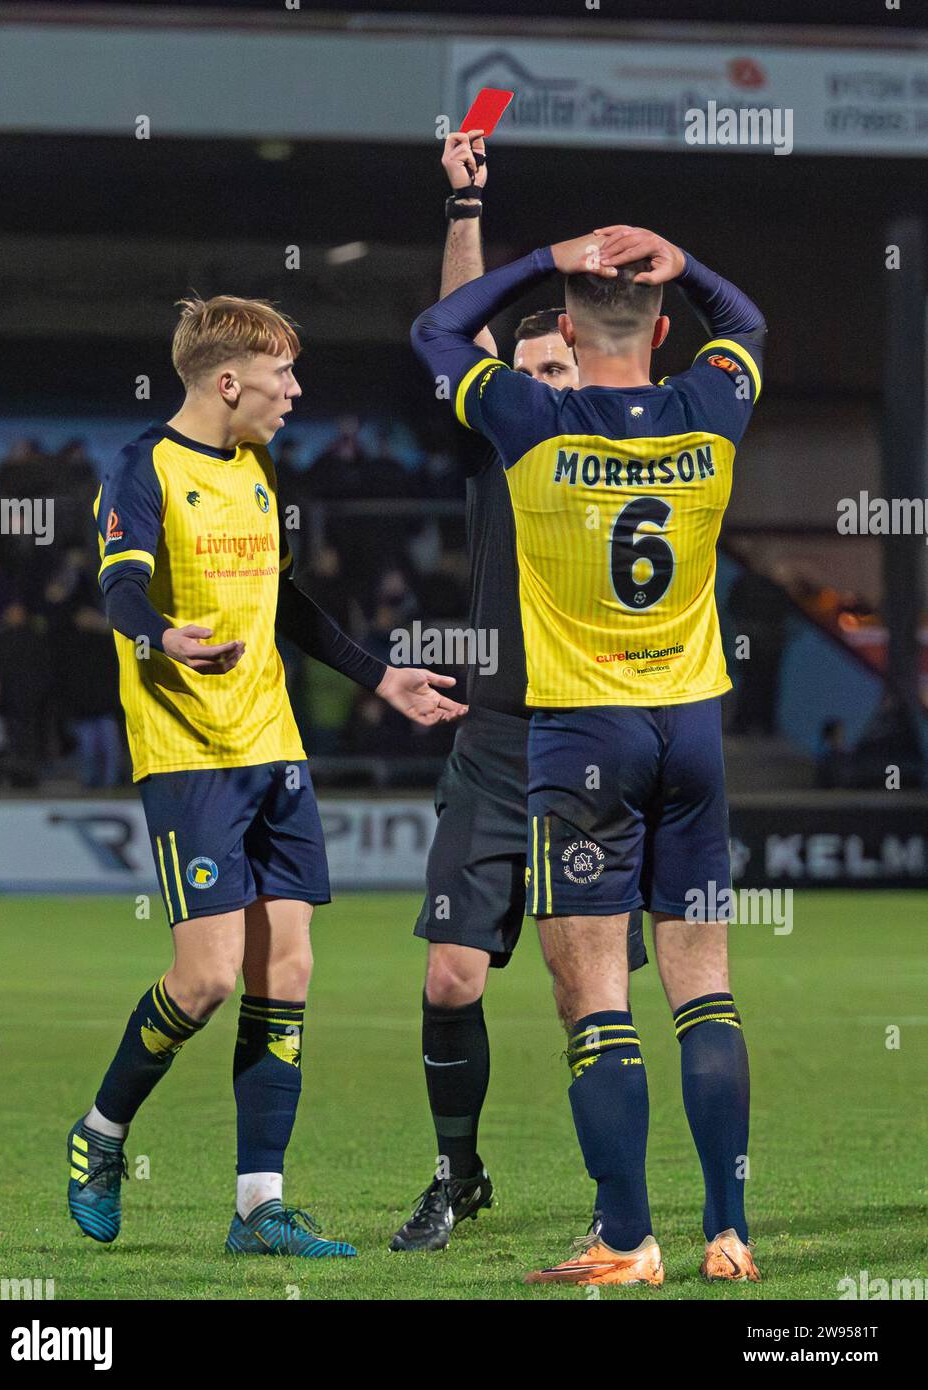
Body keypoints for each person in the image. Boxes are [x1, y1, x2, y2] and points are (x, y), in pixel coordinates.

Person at [68, 293, 465, 1261]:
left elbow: (282, 599)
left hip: (273, 750)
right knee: (202, 980)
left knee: (285, 969)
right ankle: (101, 1134)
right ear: (228, 380)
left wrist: (382, 677)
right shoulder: (142, 465)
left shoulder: (254, 467)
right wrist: (159, 633)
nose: (296, 392)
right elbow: (119, 579)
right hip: (189, 756)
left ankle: (259, 1205)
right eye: (283, 375)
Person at [412, 222, 765, 1286]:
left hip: (581, 732)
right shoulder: (713, 406)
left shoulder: (533, 420)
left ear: (564, 329)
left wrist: (540, 256)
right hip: (693, 725)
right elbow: (743, 322)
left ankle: (624, 1236)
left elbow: (437, 330)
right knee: (703, 987)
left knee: (595, 997)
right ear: (664, 330)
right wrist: (686, 258)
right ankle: (728, 1229)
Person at [390, 132, 646, 1254]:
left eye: (554, 367)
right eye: (524, 370)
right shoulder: (505, 442)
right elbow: (460, 335)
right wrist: (466, 203)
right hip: (496, 740)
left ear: (589, 369)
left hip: (592, 740)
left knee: (585, 996)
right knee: (450, 977)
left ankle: (616, 1203)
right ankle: (458, 1172)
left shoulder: (626, 450)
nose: (534, 382)